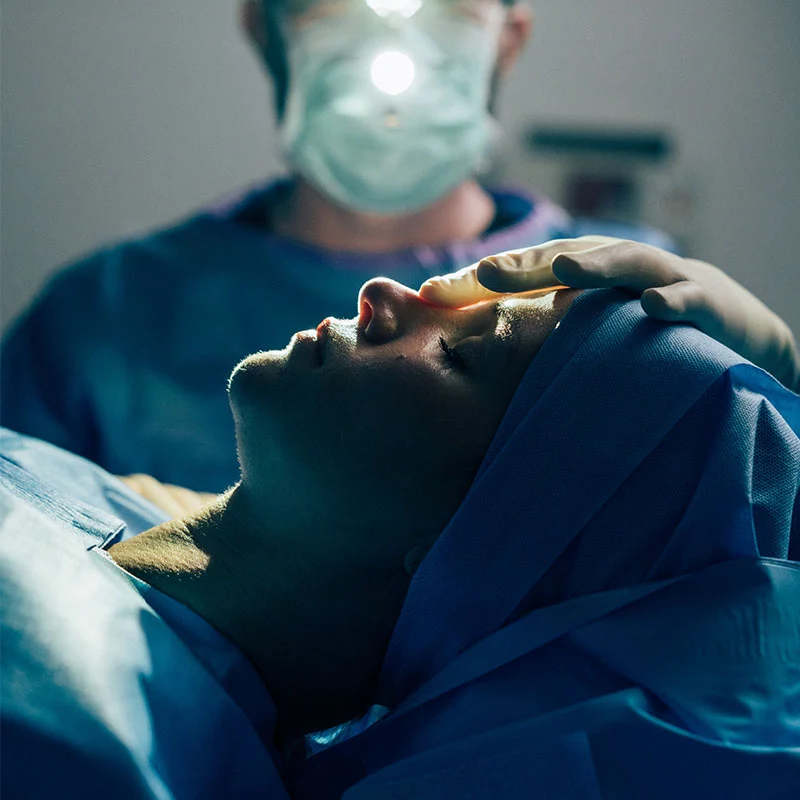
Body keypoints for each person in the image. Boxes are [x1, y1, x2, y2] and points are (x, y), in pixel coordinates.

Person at [0, 0, 675, 492]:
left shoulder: (615, 295)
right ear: (267, 29)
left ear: (508, 39)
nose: (394, 38)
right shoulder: (105, 319)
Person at [2, 247, 799, 798]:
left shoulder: (91, 746)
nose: (386, 294)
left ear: (472, 550)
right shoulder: (114, 511)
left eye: (462, 353)